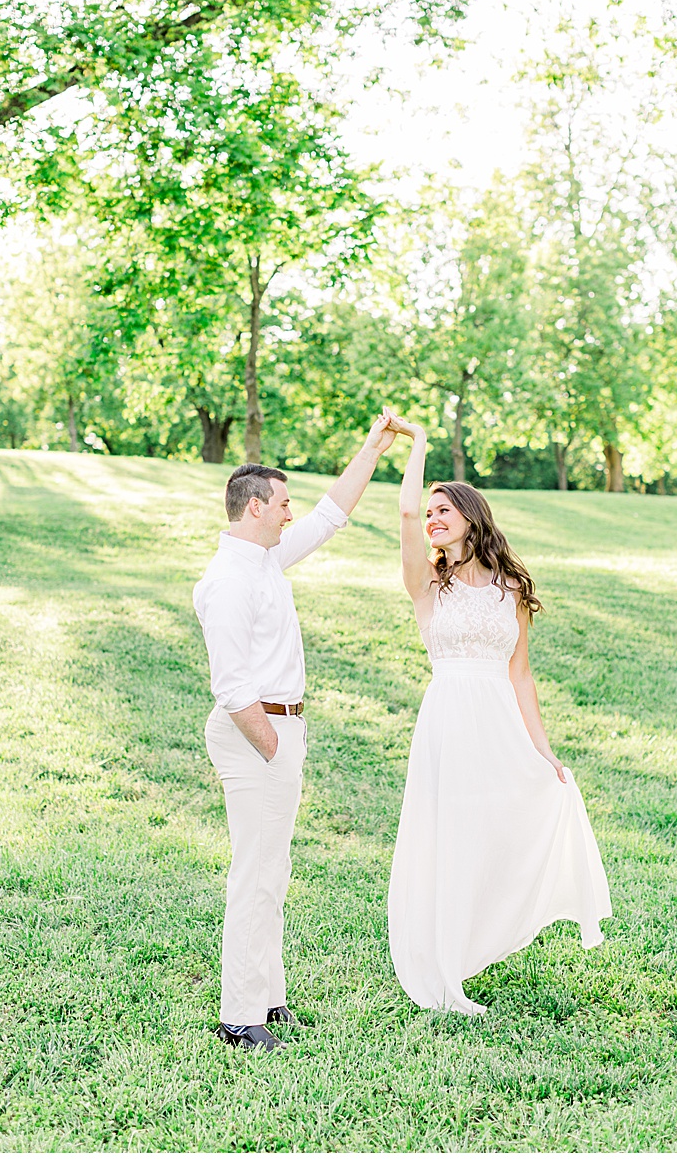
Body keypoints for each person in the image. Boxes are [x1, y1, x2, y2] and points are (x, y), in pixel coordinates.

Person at [384, 415, 611, 1014]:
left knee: (496, 831)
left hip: (500, 724)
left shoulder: (511, 586)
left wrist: (542, 750)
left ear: (472, 517)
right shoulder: (427, 583)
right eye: (430, 512)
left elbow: (521, 674)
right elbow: (405, 515)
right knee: (450, 838)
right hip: (449, 717)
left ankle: (472, 945)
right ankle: (445, 976)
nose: (432, 519)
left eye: (443, 511)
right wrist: (419, 446)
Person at [194, 413, 400, 1051]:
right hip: (258, 735)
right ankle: (239, 1018)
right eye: (281, 503)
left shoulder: (266, 559)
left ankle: (267, 997)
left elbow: (331, 514)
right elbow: (231, 688)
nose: (290, 513)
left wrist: (372, 447)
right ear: (255, 507)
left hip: (278, 733)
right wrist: (275, 746)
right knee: (255, 873)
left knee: (271, 871)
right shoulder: (227, 581)